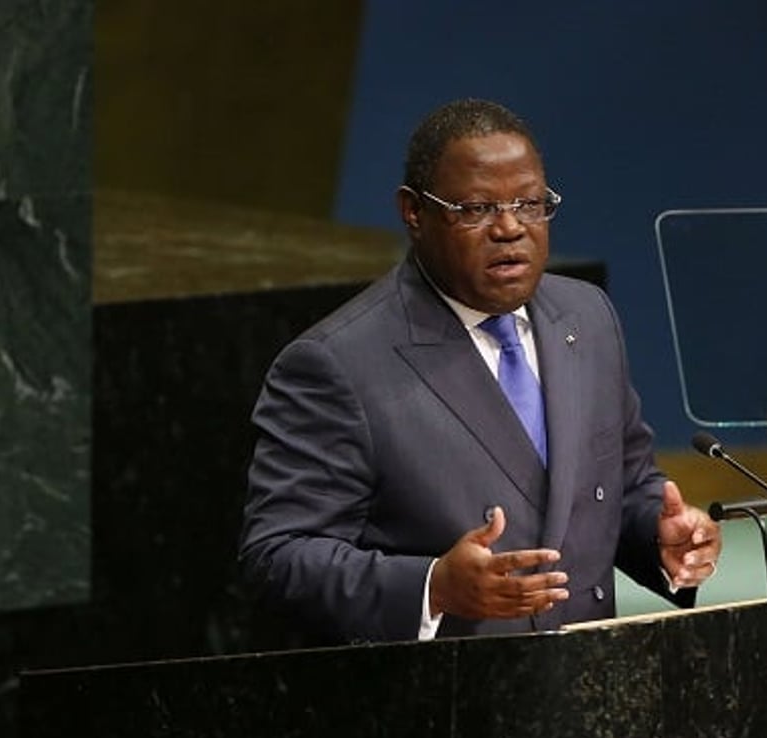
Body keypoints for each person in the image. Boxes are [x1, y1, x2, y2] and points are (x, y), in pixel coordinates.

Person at [239, 98, 721, 644]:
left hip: (587, 688)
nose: (510, 228)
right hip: (447, 702)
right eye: (475, 210)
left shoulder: (587, 318)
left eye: (530, 203)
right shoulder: (336, 365)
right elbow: (277, 557)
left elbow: (622, 486)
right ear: (414, 212)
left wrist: (661, 535)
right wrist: (432, 587)